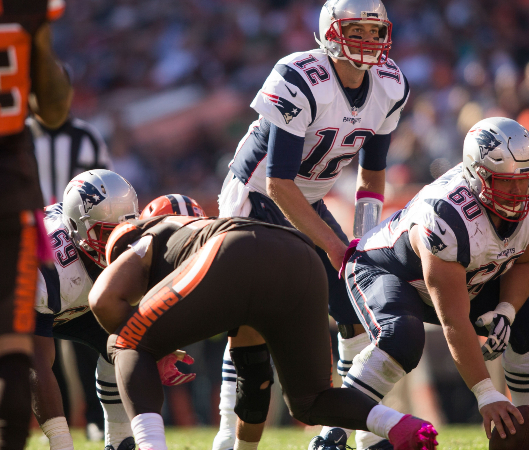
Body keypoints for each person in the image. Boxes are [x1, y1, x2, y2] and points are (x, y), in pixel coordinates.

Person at [214, 0, 408, 448]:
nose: (369, 41)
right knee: (248, 322)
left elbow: (372, 174)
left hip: (309, 199)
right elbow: (278, 183)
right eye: (356, 30)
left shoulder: (390, 83)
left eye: (375, 32)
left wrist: (361, 239)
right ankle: (227, 431)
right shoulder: (300, 76)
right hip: (255, 197)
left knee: (353, 308)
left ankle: (347, 429)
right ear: (331, 32)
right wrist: (336, 248)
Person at [88, 215, 439, 450]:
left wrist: (153, 346)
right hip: (300, 257)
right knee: (310, 401)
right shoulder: (209, 260)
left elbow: (102, 301)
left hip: (234, 249)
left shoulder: (144, 238)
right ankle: (401, 427)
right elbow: (253, 381)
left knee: (124, 342)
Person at [335, 117, 529, 449]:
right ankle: (333, 433)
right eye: (506, 182)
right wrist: (486, 394)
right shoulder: (446, 215)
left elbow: (526, 261)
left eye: (525, 180)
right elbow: (454, 319)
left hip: (458, 281)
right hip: (385, 270)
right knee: (402, 336)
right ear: (478, 176)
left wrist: (506, 311)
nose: (519, 193)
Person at [0, 1, 73, 449]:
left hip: (15, 193)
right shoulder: (24, 7)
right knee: (12, 346)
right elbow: (53, 107)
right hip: (12, 191)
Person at [32, 170, 138, 450]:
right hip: (29, 297)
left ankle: (119, 440)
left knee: (127, 340)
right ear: (76, 227)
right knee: (34, 360)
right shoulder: (50, 264)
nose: (118, 242)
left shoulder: (135, 247)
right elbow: (37, 362)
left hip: (76, 300)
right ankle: (61, 443)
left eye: (124, 229)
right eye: (106, 232)